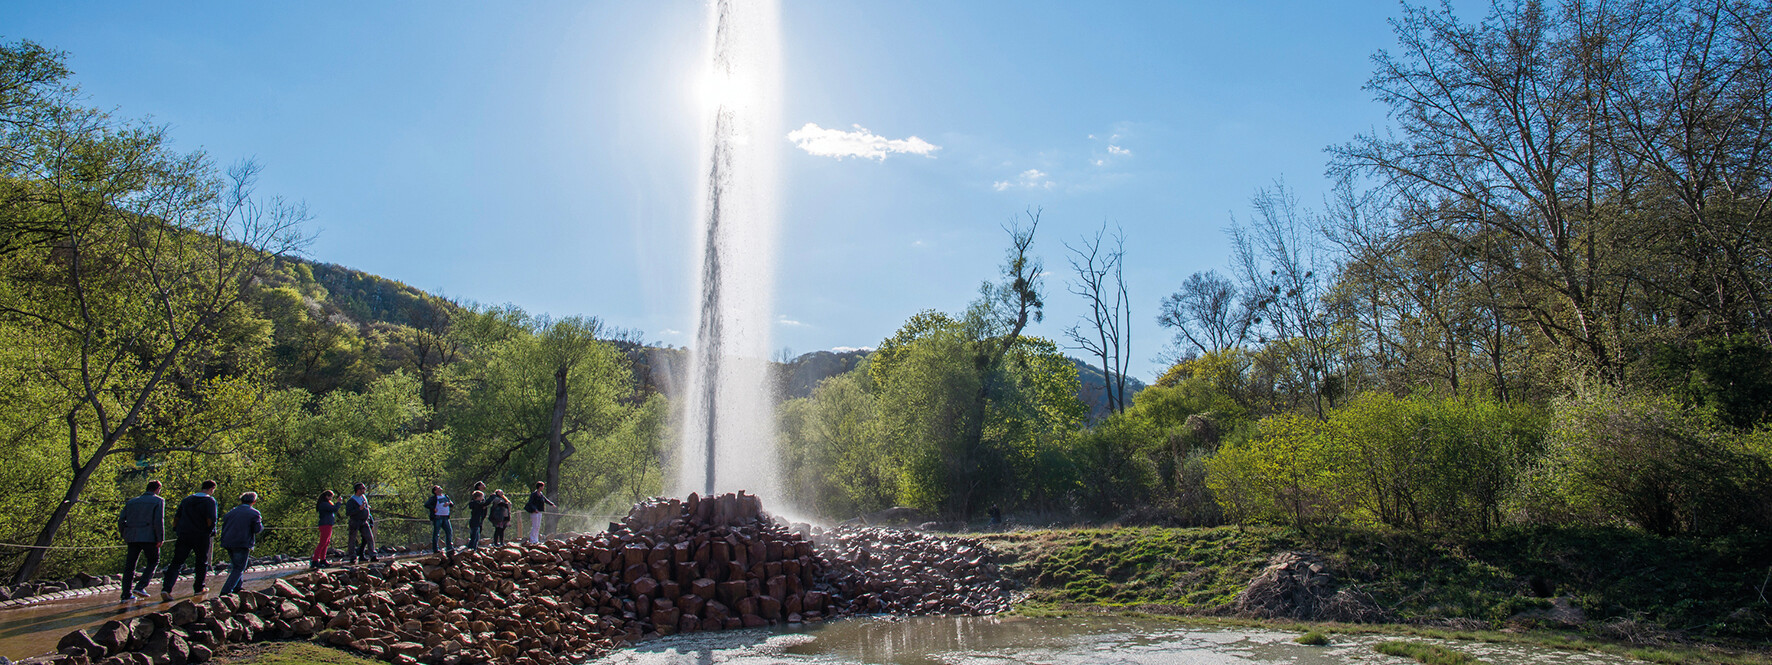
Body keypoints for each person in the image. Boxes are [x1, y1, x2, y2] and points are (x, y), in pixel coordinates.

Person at [161, 479, 220, 601]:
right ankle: (199, 588)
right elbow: (211, 519)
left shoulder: (187, 500)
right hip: (201, 535)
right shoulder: (209, 500)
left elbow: (177, 517)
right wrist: (210, 531)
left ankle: (166, 588)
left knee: (176, 562)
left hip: (184, 534)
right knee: (201, 562)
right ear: (211, 489)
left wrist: (176, 529)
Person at [117, 480, 164, 602]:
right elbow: (158, 521)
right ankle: (141, 586)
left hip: (132, 536)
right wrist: (160, 538)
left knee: (130, 566)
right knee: (153, 560)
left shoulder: (132, 502)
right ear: (157, 489)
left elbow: (121, 520)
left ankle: (126, 594)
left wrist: (124, 533)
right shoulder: (158, 501)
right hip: (149, 537)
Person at [216, 492, 263, 596]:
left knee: (236, 565)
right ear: (253, 502)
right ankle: (226, 591)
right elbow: (257, 529)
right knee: (239, 568)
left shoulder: (231, 512)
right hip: (242, 542)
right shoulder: (254, 513)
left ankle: (238, 588)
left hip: (228, 542)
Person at [344, 483, 377, 563]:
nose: (364, 490)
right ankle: (352, 556)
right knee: (352, 539)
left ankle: (372, 555)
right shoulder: (351, 501)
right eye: (363, 488)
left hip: (364, 521)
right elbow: (348, 513)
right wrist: (359, 509)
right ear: (358, 490)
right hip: (355, 522)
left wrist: (369, 517)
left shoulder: (363, 497)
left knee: (369, 537)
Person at [424, 485, 455, 553]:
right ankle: (435, 549)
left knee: (449, 531)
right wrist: (433, 508)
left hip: (446, 516)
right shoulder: (433, 498)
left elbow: (452, 504)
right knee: (436, 533)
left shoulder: (446, 496)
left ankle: (449, 547)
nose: (440, 488)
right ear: (435, 491)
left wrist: (448, 503)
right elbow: (426, 505)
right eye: (438, 488)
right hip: (438, 517)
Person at [313, 490, 340, 568]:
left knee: (326, 542)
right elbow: (334, 509)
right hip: (325, 525)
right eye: (330, 496)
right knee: (322, 542)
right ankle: (315, 560)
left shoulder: (326, 504)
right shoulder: (324, 504)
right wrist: (338, 503)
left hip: (328, 524)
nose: (331, 498)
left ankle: (323, 559)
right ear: (326, 497)